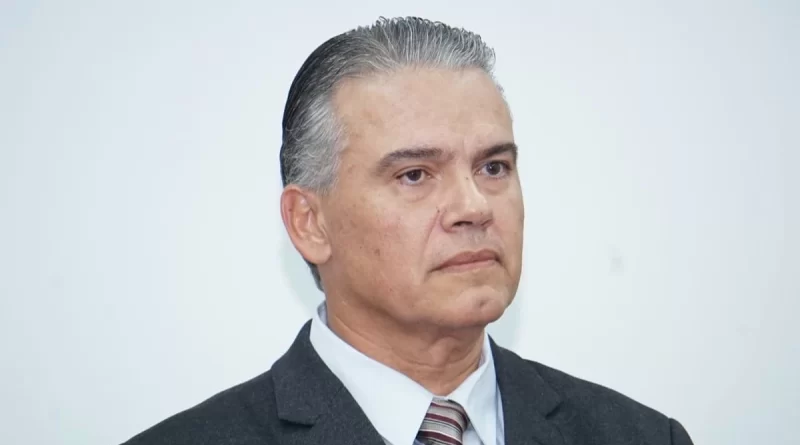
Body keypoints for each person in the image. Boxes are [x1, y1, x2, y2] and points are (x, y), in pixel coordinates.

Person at [124, 17, 694, 445]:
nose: (474, 207)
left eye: (494, 167)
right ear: (309, 222)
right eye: (415, 174)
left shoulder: (642, 437)